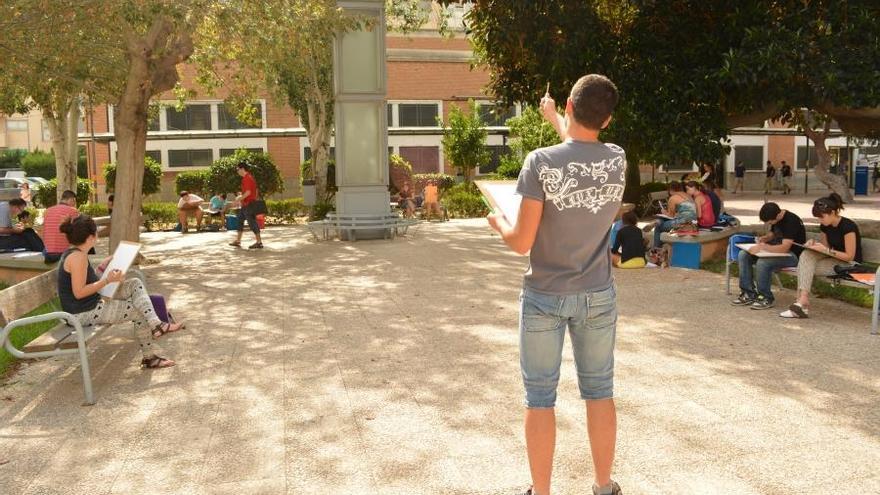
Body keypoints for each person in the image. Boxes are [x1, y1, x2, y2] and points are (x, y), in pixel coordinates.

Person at [487, 74, 624, 495]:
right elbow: (581, 152)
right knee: (599, 390)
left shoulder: (540, 163)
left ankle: (542, 492)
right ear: (609, 118)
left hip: (545, 295)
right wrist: (554, 120)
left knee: (540, 397)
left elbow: (521, 242)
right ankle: (603, 486)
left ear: (567, 103)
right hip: (598, 293)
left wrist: (500, 223)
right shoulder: (617, 158)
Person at [57, 215, 181, 369]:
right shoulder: (77, 257)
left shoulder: (75, 254)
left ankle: (156, 324)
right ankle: (150, 357)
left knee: (134, 283)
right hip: (81, 313)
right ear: (91, 237)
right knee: (138, 311)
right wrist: (107, 280)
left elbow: (85, 282)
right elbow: (79, 292)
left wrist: (102, 269)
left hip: (86, 306)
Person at [780, 193, 862, 318]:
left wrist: (826, 250)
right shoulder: (825, 225)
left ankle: (802, 305)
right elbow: (825, 247)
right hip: (833, 259)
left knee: (805, 267)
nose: (820, 220)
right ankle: (802, 300)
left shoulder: (848, 227)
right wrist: (813, 245)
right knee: (806, 255)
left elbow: (850, 256)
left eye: (822, 217)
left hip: (849, 264)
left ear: (833, 212)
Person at [732, 202, 806, 310]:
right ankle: (748, 293)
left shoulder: (791, 221)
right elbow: (773, 233)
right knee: (743, 255)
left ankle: (765, 297)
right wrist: (764, 239)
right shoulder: (776, 217)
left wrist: (763, 247)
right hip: (776, 251)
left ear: (778, 215)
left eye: (770, 222)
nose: (769, 223)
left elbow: (785, 248)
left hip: (792, 255)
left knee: (763, 263)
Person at [644, 181, 697, 248]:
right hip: (693, 222)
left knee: (658, 228)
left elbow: (670, 216)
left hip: (682, 223)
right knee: (661, 221)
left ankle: (656, 249)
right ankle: (657, 222)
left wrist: (664, 212)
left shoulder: (673, 198)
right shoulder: (688, 196)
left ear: (671, 190)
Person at [230, 162, 263, 249]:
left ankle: (259, 242)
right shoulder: (248, 177)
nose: (237, 171)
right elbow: (253, 191)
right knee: (240, 221)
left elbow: (248, 192)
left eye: (238, 169)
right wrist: (241, 196)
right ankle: (238, 241)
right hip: (246, 204)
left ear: (242, 169)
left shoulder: (247, 178)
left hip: (249, 205)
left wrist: (238, 199)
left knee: (252, 223)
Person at [43, 189, 80, 262]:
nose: (74, 204)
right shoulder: (73, 211)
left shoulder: (47, 211)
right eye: (74, 201)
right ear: (71, 199)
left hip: (47, 253)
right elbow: (77, 232)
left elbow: (43, 232)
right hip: (64, 252)